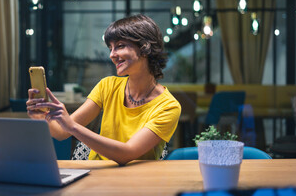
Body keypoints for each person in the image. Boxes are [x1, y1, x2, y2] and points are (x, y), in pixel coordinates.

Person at [26, 14, 181, 165]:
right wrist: (42, 117)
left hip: (136, 182)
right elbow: (61, 133)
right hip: (95, 173)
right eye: (110, 48)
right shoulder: (107, 86)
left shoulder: (169, 106)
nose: (112, 55)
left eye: (120, 46)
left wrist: (73, 127)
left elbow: (127, 153)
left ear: (145, 47)